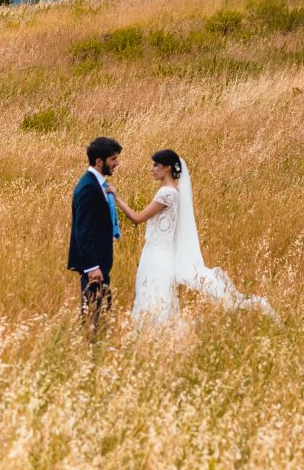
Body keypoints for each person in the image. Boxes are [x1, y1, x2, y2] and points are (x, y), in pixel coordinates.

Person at [112, 148, 277, 326]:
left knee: (152, 295)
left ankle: (151, 334)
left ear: (167, 168)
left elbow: (137, 218)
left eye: (155, 165)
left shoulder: (166, 193)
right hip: (163, 253)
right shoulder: (175, 191)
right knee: (160, 298)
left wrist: (116, 197)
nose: (151, 169)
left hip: (156, 255)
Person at [67, 136, 123, 338]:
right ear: (99, 161)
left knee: (99, 308)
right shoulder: (89, 187)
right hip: (94, 265)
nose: (117, 163)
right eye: (113, 159)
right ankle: (91, 347)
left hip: (100, 262)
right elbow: (83, 230)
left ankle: (97, 343)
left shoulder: (97, 183)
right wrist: (92, 267)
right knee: (92, 312)